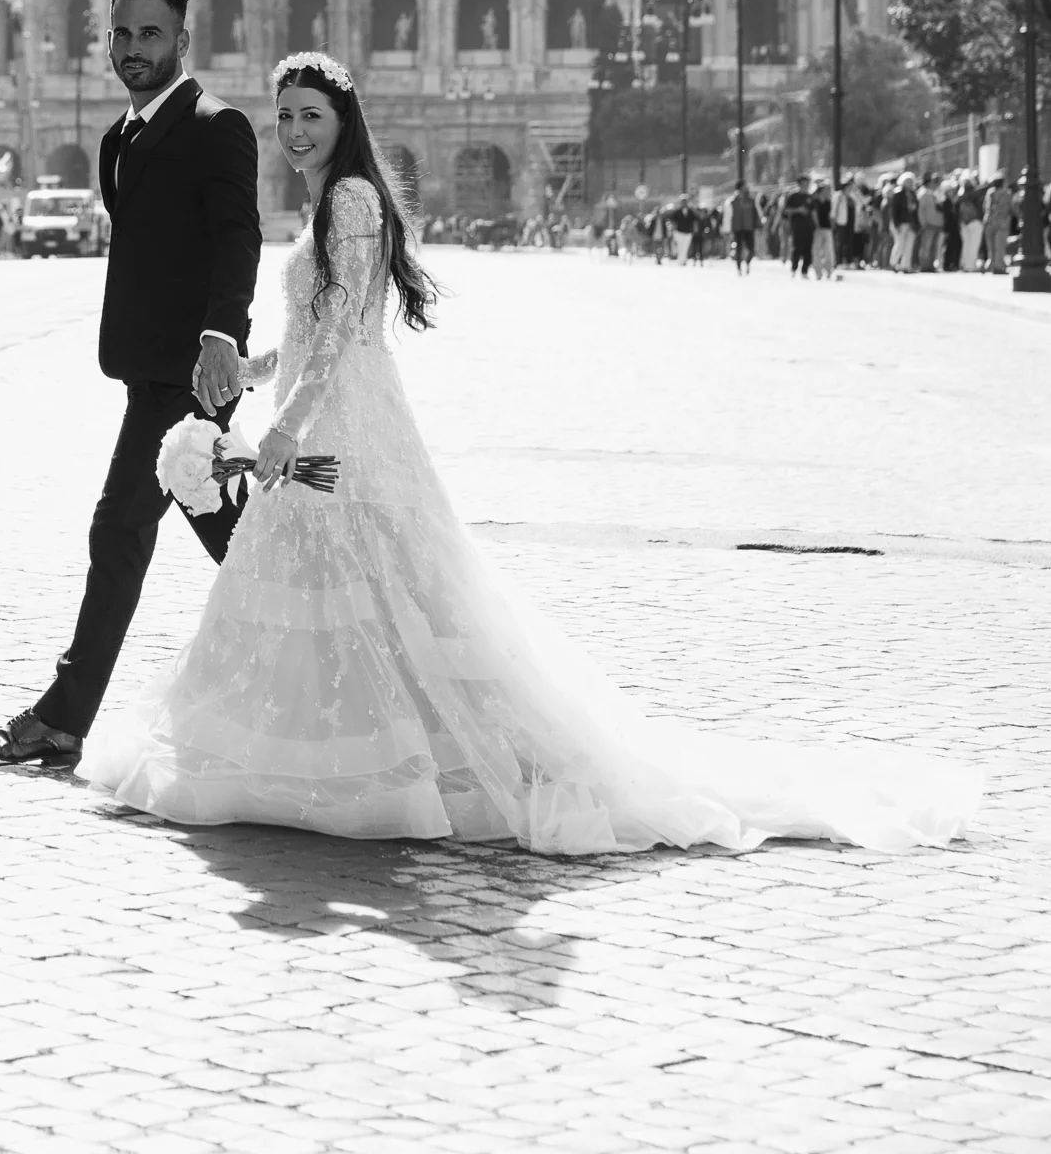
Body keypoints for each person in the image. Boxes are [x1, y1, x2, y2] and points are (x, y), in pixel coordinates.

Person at [80, 51, 979, 857]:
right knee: (360, 585)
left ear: (344, 122)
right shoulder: (331, 202)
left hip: (342, 425)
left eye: (310, 114)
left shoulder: (350, 200)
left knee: (363, 579)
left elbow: (349, 330)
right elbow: (311, 331)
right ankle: (346, 750)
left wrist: (278, 434)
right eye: (284, 115)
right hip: (329, 413)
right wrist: (255, 363)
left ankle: (343, 756)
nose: (293, 131)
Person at [0, 0, 262, 769]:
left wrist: (220, 337)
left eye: (149, 34)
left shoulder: (215, 124)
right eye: (121, 34)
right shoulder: (117, 138)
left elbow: (238, 237)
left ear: (181, 42)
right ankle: (331, 634)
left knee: (119, 529)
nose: (132, 48)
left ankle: (61, 719)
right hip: (146, 368)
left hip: (189, 375)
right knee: (234, 536)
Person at [781, 175, 815, 277]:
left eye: (808, 183)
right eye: (805, 183)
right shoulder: (793, 196)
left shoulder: (810, 197)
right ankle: (794, 268)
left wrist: (816, 225)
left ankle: (805, 270)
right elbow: (785, 210)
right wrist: (798, 210)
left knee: (808, 249)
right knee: (797, 248)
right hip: (797, 226)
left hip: (809, 226)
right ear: (800, 184)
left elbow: (813, 212)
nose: (807, 186)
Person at [726, 179, 757, 274]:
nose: (746, 187)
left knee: (751, 249)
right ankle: (739, 268)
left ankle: (747, 262)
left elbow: (755, 214)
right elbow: (728, 216)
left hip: (749, 228)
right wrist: (727, 229)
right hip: (737, 228)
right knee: (738, 249)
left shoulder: (751, 200)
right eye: (744, 186)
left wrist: (757, 225)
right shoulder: (732, 201)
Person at [984, 173, 1012, 274]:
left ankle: (991, 264)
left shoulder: (990, 192)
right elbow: (1007, 208)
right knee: (1000, 246)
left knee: (991, 247)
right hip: (1001, 222)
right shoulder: (1006, 193)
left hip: (989, 221)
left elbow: (985, 207)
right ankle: (999, 267)